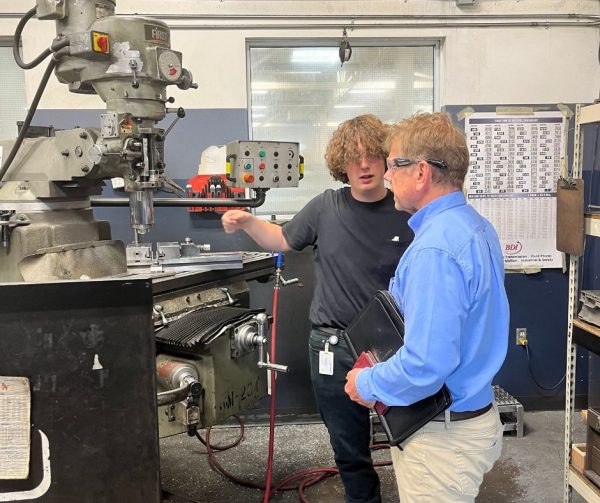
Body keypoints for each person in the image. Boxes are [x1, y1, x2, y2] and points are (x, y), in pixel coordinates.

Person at [221, 114, 413, 503]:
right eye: (354, 157)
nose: (363, 165)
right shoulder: (326, 206)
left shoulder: (407, 210)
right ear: (342, 163)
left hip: (395, 345)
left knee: (412, 434)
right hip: (332, 345)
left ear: (386, 160)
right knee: (348, 444)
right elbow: (281, 240)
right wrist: (247, 221)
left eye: (372, 156)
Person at [345, 112, 509, 503]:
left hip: (443, 440)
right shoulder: (474, 226)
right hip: (472, 417)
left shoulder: (435, 249)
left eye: (393, 165)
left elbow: (426, 365)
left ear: (420, 173)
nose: (385, 176)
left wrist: (365, 384)